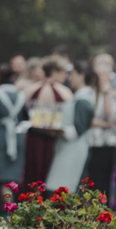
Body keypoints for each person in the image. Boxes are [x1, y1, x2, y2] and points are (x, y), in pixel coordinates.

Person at [22, 56, 73, 188]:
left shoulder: (29, 90)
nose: (65, 76)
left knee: (34, 175)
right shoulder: (66, 92)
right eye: (63, 72)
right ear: (54, 71)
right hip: (51, 139)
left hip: (36, 138)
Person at [44, 60, 94, 194]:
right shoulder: (79, 98)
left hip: (75, 152)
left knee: (70, 191)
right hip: (68, 150)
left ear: (81, 75)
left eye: (71, 74)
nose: (69, 78)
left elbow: (77, 130)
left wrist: (54, 129)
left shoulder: (84, 101)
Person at [0, 64, 26, 209]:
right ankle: (9, 210)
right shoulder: (21, 95)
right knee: (10, 180)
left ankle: (5, 211)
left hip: (1, 137)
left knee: (0, 178)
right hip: (17, 138)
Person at [84, 59, 116, 193]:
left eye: (104, 74)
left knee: (104, 180)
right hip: (91, 142)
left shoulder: (114, 94)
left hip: (108, 143)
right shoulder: (89, 93)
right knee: (91, 181)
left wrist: (106, 93)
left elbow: (111, 116)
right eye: (98, 74)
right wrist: (105, 124)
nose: (101, 77)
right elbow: (88, 119)